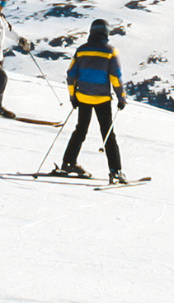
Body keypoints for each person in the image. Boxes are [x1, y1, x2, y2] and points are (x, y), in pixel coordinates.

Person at [53, 18, 127, 184]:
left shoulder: (81, 50)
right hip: (102, 99)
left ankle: (68, 163)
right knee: (107, 133)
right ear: (106, 33)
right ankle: (116, 171)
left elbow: (71, 75)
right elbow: (116, 77)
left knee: (80, 130)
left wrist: (73, 96)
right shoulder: (110, 51)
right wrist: (121, 97)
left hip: (83, 97)